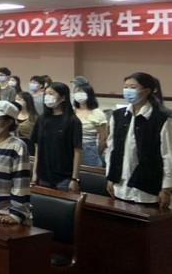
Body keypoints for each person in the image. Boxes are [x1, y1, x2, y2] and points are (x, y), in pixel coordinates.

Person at [105, 72, 172, 209]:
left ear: (147, 91)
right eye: (125, 87)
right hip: (120, 185)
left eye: (133, 87)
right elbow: (111, 149)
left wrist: (166, 189)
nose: (128, 91)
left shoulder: (161, 118)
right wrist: (110, 177)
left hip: (147, 188)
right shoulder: (118, 115)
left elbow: (168, 156)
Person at [31, 82, 82, 192]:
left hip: (64, 177)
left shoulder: (72, 121)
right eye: (46, 94)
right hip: (43, 175)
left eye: (51, 94)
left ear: (63, 98)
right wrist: (35, 173)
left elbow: (77, 151)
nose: (47, 97)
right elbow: (38, 148)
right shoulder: (41, 119)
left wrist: (74, 178)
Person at [73, 83, 108, 167]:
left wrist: (97, 153)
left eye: (81, 92)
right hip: (71, 147)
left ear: (89, 94)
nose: (78, 94)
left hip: (89, 149)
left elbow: (103, 138)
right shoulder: (72, 111)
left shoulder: (97, 113)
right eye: (76, 92)